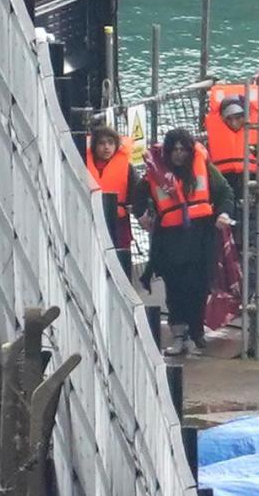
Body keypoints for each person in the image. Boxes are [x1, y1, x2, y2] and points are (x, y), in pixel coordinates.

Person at [132, 128, 234, 355]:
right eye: (174, 150)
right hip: (170, 240)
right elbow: (137, 195)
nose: (179, 154)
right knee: (175, 287)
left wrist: (223, 213)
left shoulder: (205, 169)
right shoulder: (154, 174)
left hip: (201, 235)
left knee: (200, 286)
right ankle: (179, 334)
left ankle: (197, 330)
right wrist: (141, 215)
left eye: (183, 150)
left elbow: (225, 192)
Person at [85, 124, 136, 276]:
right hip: (91, 219)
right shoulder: (83, 165)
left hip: (118, 221)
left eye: (110, 143)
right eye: (101, 143)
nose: (106, 147)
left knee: (120, 262)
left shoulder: (127, 168)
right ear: (94, 146)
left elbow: (136, 193)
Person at [204, 95, 256, 209]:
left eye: (238, 117)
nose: (234, 122)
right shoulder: (210, 138)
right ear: (222, 118)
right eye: (229, 118)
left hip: (252, 178)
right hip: (224, 179)